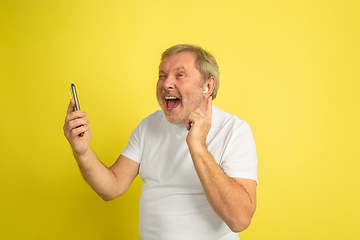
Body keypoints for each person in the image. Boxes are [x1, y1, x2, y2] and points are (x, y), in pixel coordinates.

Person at [63, 44, 258, 240]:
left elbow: (239, 219)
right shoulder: (149, 126)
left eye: (180, 75)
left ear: (207, 86)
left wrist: (197, 146)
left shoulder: (234, 131)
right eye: (162, 76)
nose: (166, 84)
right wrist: (83, 152)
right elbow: (112, 186)